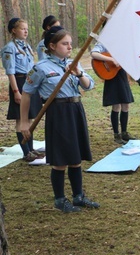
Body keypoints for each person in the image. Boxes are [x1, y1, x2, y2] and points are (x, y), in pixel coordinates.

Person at [20, 26, 99, 213]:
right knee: (61, 159)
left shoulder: (74, 63)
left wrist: (78, 73)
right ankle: (60, 199)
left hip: (76, 110)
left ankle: (78, 196)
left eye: (70, 44)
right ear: (52, 45)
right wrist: (24, 122)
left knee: (76, 157)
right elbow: (26, 93)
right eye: (65, 44)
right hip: (58, 112)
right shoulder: (40, 68)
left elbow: (89, 86)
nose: (69, 47)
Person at [2, 18, 44, 161]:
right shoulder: (10, 48)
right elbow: (10, 72)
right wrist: (15, 91)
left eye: (26, 28)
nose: (26, 31)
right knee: (21, 119)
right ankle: (26, 152)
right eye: (22, 28)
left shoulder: (26, 46)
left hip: (29, 82)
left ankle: (31, 149)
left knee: (30, 117)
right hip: (19, 82)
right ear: (14, 30)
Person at [90, 41, 137, 144]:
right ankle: (117, 135)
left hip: (121, 74)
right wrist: (111, 59)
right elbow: (94, 53)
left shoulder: (122, 43)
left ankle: (124, 132)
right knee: (116, 105)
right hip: (112, 75)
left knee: (126, 104)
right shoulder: (104, 42)